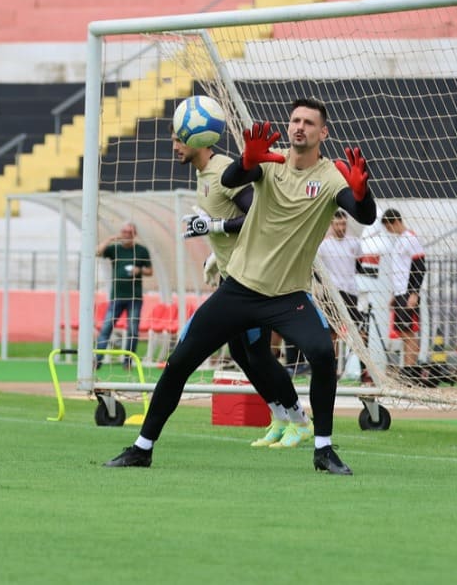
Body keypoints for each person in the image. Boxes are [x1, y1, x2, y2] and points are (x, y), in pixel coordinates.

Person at [105, 98, 378, 475]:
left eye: (309, 123)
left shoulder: (331, 176)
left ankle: (323, 450)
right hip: (240, 289)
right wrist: (248, 161)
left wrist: (364, 194)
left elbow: (364, 213)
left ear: (323, 132)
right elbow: (232, 180)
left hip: (288, 296)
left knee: (322, 355)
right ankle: (142, 447)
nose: (300, 126)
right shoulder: (271, 160)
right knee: (180, 362)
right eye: (295, 120)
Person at [173, 129, 313, 449]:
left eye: (179, 139)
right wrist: (215, 253)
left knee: (258, 353)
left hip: (253, 280)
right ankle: (279, 415)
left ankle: (300, 420)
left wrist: (215, 227)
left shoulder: (223, 171)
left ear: (199, 138)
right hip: (231, 275)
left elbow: (255, 214)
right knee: (240, 352)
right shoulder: (203, 175)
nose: (174, 146)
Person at [315, 209, 373, 385]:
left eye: (343, 224)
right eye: (337, 224)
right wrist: (324, 289)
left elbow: (358, 265)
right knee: (332, 334)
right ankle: (331, 372)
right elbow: (318, 271)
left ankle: (366, 370)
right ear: (331, 225)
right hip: (332, 293)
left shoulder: (354, 243)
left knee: (358, 332)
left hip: (350, 293)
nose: (341, 227)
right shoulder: (324, 246)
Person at [94, 222, 153, 369]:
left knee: (133, 329)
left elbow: (150, 271)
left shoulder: (141, 251)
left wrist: (139, 270)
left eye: (129, 232)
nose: (126, 235)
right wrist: (110, 239)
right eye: (124, 232)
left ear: (134, 235)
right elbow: (97, 252)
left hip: (135, 298)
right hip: (117, 297)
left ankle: (128, 361)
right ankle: (97, 360)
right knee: (106, 327)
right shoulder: (114, 249)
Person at [380, 208, 427, 374]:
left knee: (409, 332)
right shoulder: (399, 241)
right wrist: (394, 294)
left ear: (396, 222)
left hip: (408, 294)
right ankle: (407, 370)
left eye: (388, 227)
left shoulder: (410, 238)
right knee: (403, 332)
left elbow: (420, 267)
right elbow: (400, 270)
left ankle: (411, 371)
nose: (388, 231)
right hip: (400, 293)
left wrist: (414, 293)